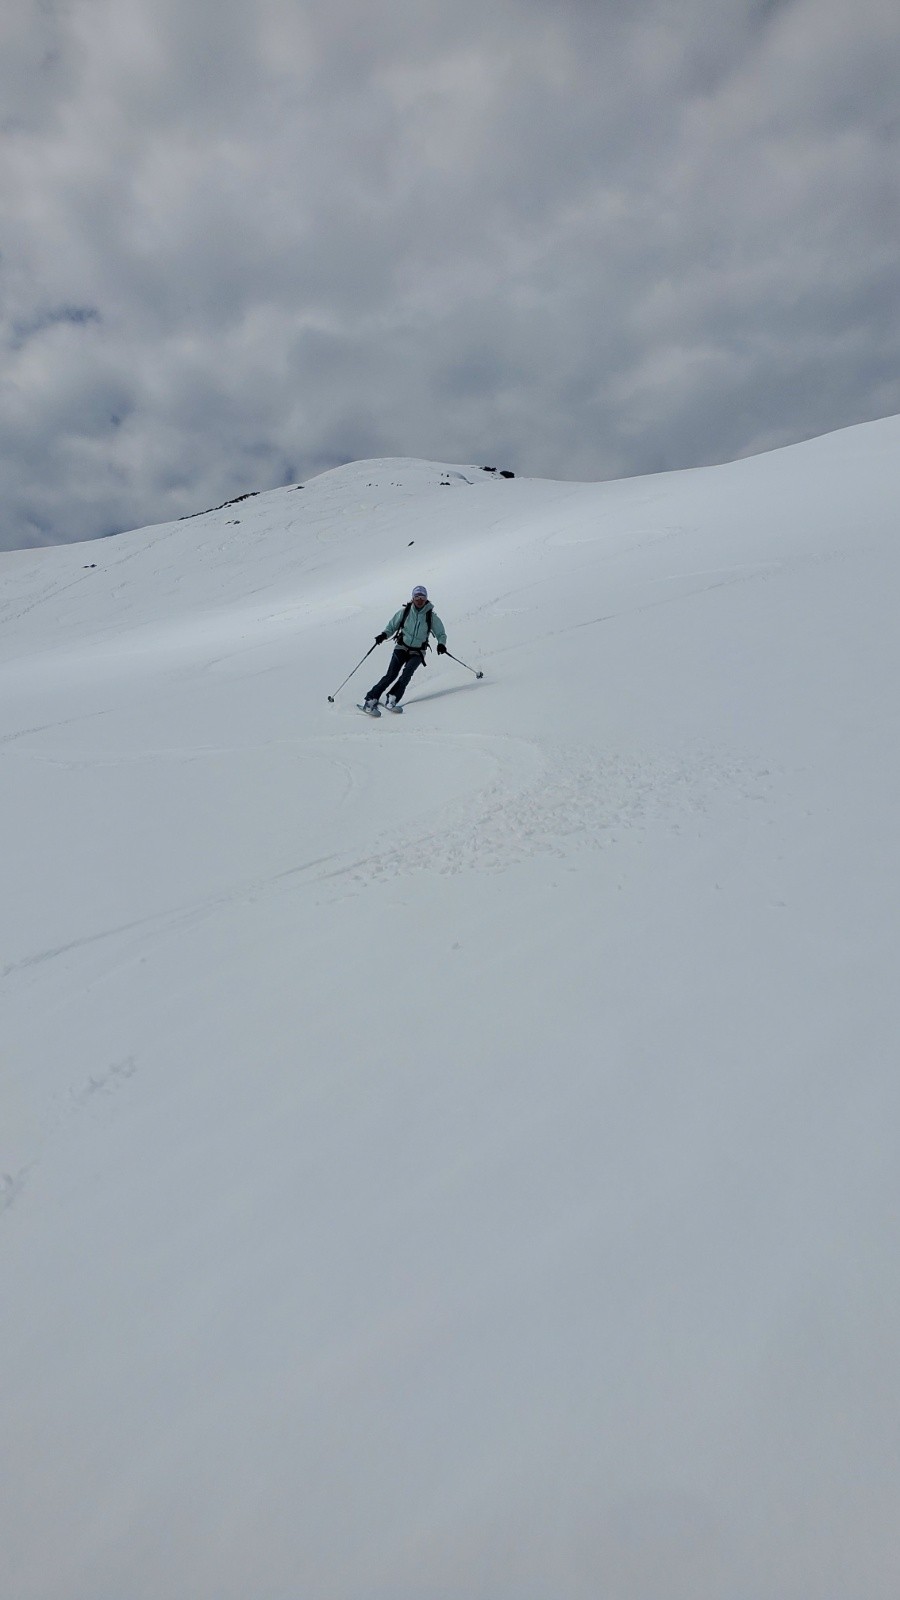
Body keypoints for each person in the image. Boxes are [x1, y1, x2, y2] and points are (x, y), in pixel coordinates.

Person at [361, 585, 448, 714]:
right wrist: (383, 635)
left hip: (418, 651)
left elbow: (441, 633)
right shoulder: (405, 612)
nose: (419, 600)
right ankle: (371, 699)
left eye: (422, 597)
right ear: (412, 598)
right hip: (402, 647)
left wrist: (441, 644)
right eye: (417, 597)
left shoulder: (430, 616)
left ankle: (392, 698)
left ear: (426, 599)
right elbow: (391, 627)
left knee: (406, 674)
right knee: (391, 675)